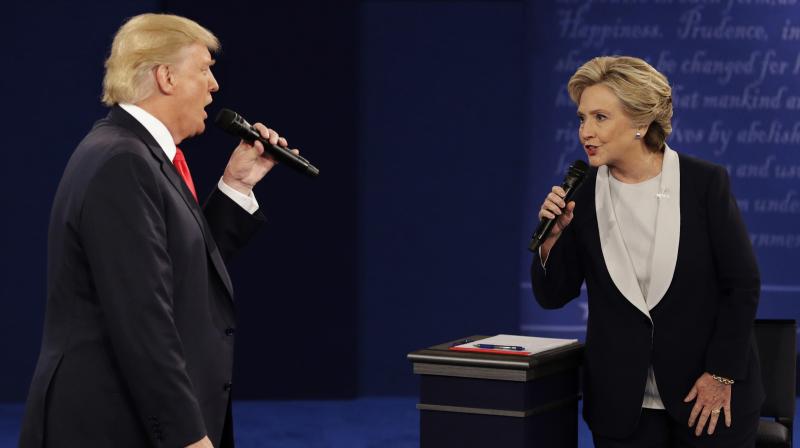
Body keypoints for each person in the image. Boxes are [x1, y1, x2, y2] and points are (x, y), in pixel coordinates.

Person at [19, 13, 298, 448]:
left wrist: (236, 185)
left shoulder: (132, 152)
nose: (214, 86)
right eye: (204, 69)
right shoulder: (122, 162)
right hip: (110, 425)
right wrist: (188, 437)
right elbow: (142, 317)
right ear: (166, 76)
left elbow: (180, 272)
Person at [530, 56, 763, 447]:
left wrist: (721, 375)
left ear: (641, 122)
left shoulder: (704, 183)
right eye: (581, 118)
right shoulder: (581, 194)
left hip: (706, 398)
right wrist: (550, 243)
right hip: (622, 406)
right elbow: (553, 296)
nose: (585, 131)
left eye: (600, 117)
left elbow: (742, 286)